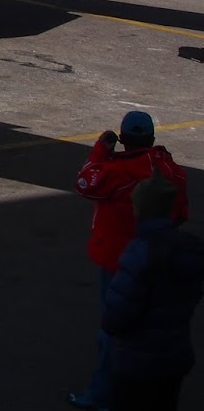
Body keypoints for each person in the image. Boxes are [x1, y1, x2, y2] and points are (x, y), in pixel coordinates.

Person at [69, 111, 189, 409]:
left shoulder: (117, 172)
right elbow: (182, 213)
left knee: (114, 333)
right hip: (163, 278)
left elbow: (85, 183)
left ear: (123, 139)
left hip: (117, 260)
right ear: (151, 138)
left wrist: (100, 151)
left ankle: (101, 397)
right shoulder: (170, 170)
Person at [103, 174, 203, 411]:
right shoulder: (190, 247)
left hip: (136, 361)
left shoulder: (139, 252)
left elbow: (117, 315)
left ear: (141, 209)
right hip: (175, 356)